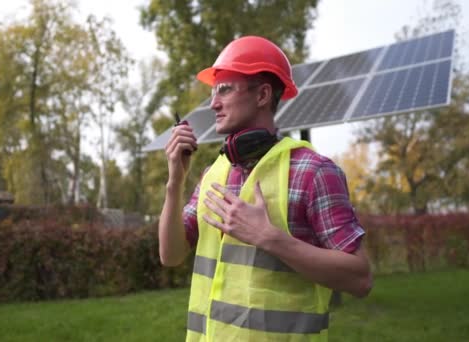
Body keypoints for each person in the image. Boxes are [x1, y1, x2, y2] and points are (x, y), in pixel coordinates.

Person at [159, 35, 372, 342]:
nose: (213, 103)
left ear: (262, 95)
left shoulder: (314, 172)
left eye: (224, 89)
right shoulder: (213, 174)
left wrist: (269, 238)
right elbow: (170, 254)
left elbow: (361, 278)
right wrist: (174, 181)